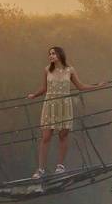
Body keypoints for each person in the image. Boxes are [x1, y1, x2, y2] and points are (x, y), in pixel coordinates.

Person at [27, 45, 103, 177]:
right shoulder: (47, 70)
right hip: (50, 105)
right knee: (46, 137)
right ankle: (40, 169)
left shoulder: (70, 70)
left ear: (60, 55)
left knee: (63, 135)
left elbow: (80, 86)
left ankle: (60, 166)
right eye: (49, 54)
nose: (51, 56)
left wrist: (96, 86)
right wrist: (34, 95)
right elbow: (44, 88)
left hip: (64, 105)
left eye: (53, 53)